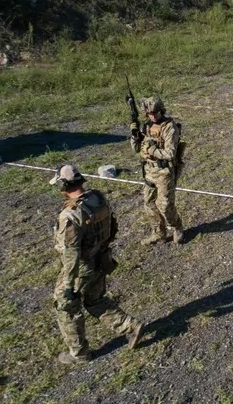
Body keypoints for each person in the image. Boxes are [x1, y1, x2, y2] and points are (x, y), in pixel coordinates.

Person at [50, 164, 143, 364]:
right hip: (100, 258)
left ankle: (79, 352)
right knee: (95, 300)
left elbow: (71, 253)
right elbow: (113, 226)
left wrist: (68, 284)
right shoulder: (97, 198)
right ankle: (130, 326)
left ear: (63, 184)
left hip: (81, 267)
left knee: (66, 308)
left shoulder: (70, 215)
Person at [130, 96, 187, 245]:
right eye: (150, 114)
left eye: (156, 113)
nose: (153, 116)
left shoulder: (170, 127)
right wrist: (135, 138)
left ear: (161, 110)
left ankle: (177, 227)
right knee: (149, 204)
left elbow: (170, 154)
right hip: (149, 171)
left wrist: (152, 149)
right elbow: (137, 150)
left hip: (164, 173)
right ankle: (158, 233)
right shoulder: (146, 127)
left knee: (165, 205)